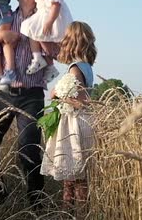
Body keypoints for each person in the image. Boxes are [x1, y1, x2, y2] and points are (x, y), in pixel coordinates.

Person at [0, 0, 57, 207]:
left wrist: (49, 45)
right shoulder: (6, 16)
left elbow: (60, 50)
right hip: (2, 94)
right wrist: (0, 35)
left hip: (31, 96)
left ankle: (35, 203)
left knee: (29, 152)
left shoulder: (46, 17)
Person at [40, 21, 97, 214]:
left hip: (74, 125)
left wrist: (57, 94)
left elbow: (81, 101)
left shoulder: (75, 68)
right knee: (78, 177)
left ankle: (70, 214)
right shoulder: (86, 66)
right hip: (83, 122)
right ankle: (77, 213)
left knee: (72, 178)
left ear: (71, 42)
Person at [20, 0, 73, 83]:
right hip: (46, 17)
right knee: (34, 32)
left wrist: (49, 22)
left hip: (54, 18)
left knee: (32, 29)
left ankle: (42, 58)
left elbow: (56, 5)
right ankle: (45, 61)